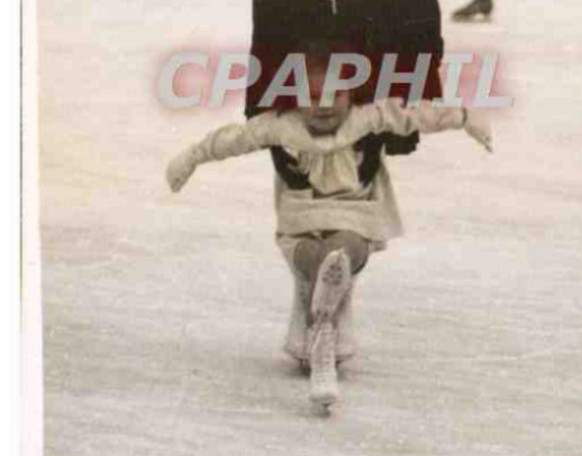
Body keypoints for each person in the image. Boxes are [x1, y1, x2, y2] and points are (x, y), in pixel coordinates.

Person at [167, 60, 492, 412]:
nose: (323, 105)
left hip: (350, 213)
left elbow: (416, 115)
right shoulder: (281, 125)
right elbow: (232, 139)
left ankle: (331, 276)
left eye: (334, 94)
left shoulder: (366, 118)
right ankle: (325, 281)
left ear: (351, 93)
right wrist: (191, 157)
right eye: (312, 95)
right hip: (302, 217)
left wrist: (464, 116)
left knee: (346, 245)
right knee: (309, 252)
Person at [245, 0, 445, 387]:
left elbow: (423, 35)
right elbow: (267, 44)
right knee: (304, 204)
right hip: (302, 88)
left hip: (374, 80)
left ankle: (323, 319)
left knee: (352, 204)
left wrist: (406, 115)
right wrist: (272, 127)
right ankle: (320, 319)